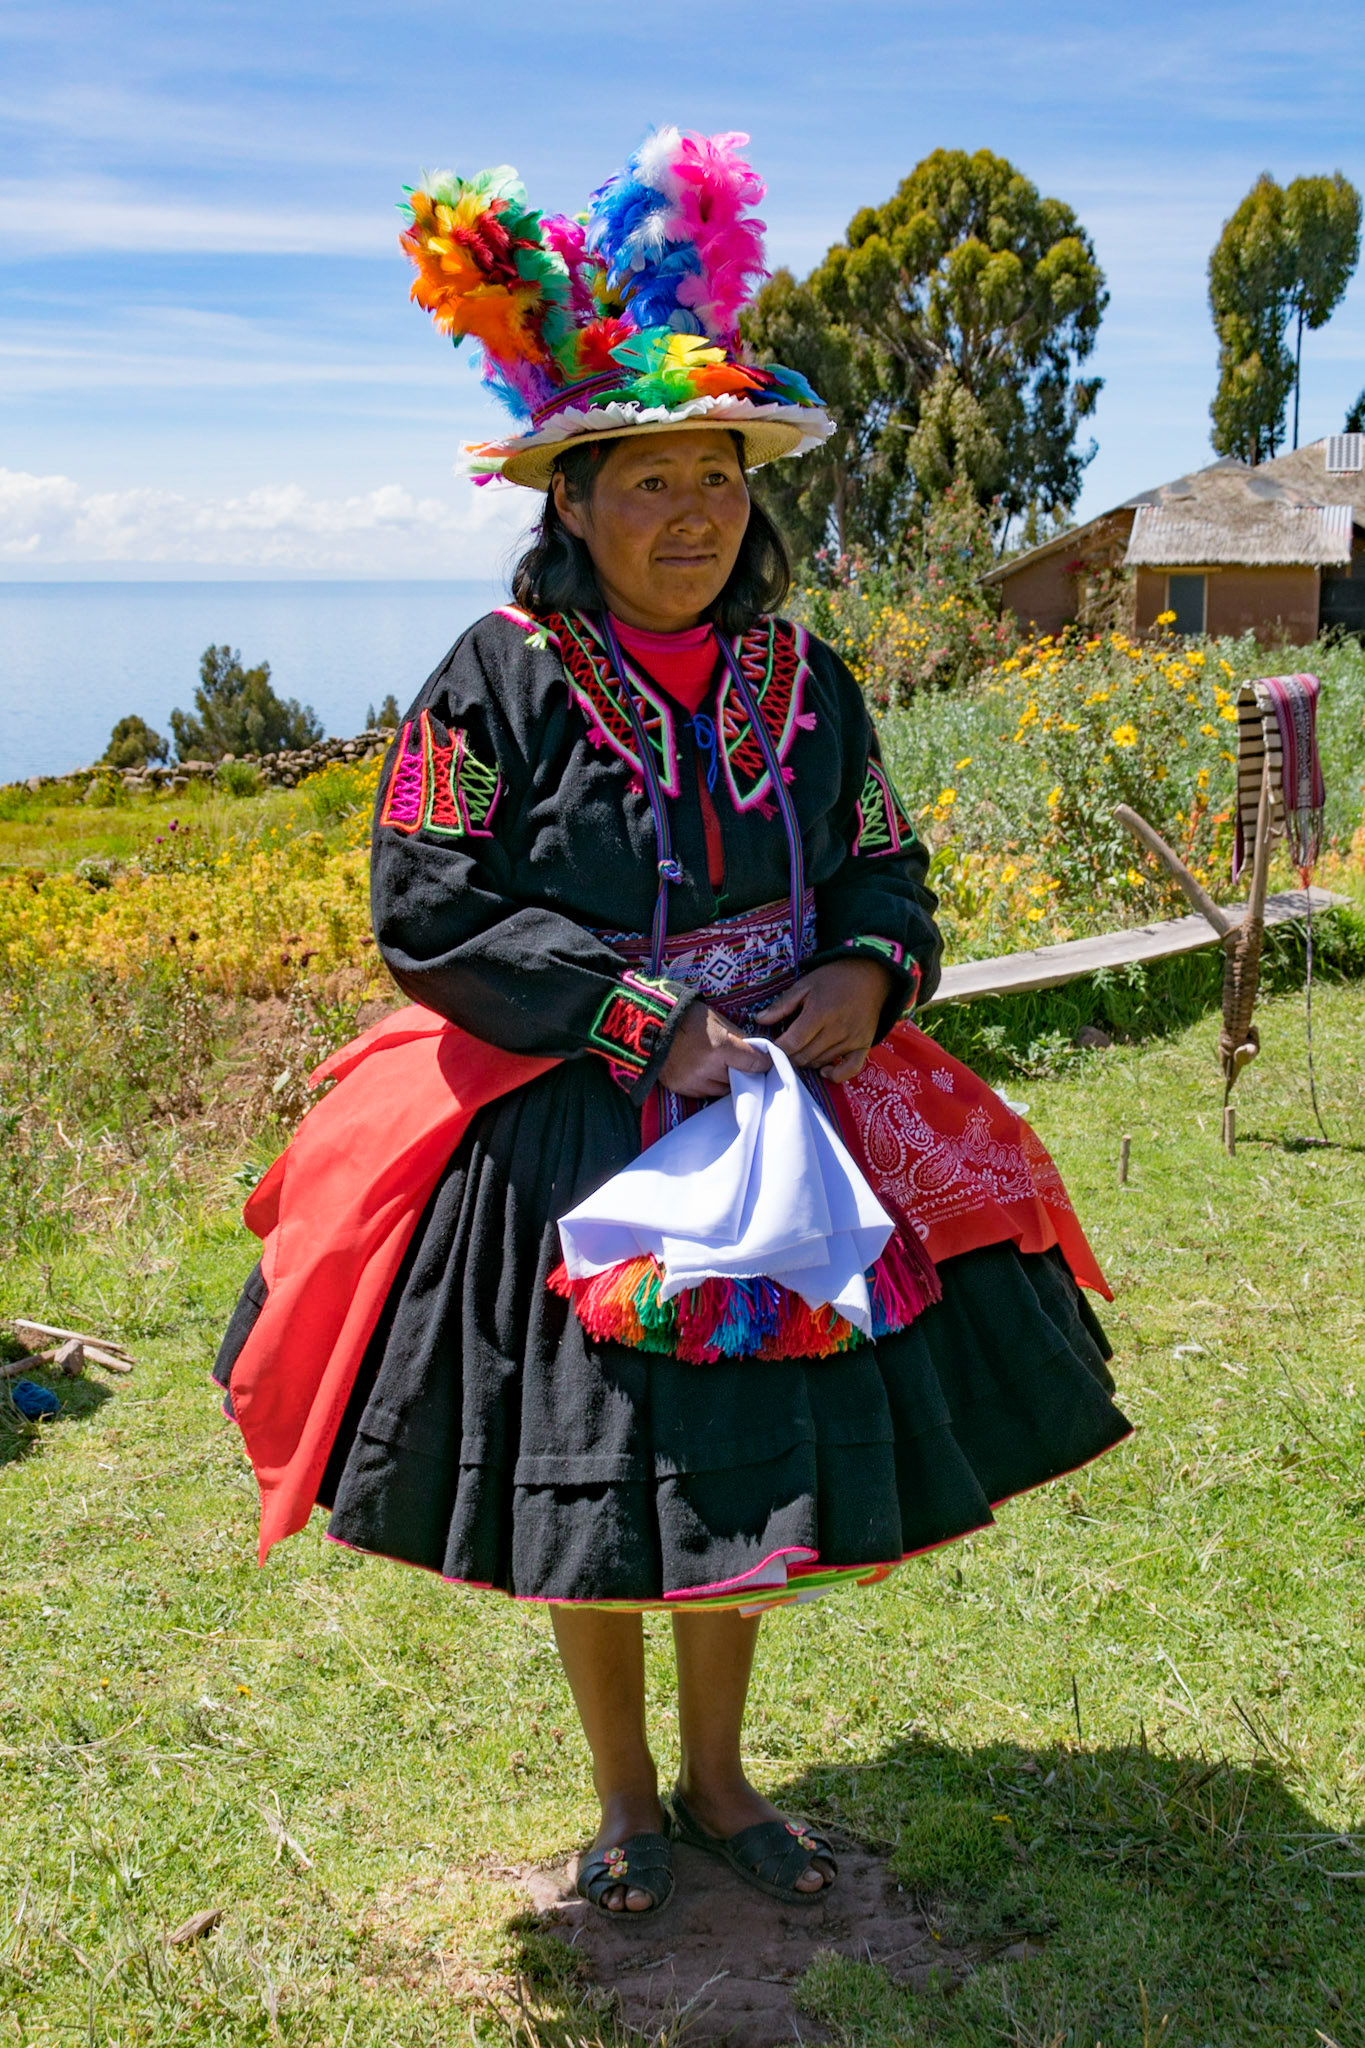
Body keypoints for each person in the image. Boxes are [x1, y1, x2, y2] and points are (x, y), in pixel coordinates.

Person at [213, 129, 1130, 1921]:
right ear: (571, 499)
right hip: (579, 1116)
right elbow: (430, 905)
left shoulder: (811, 679)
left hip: (800, 1115)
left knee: (749, 1473)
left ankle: (726, 1781)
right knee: (603, 1489)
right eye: (648, 481)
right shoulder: (496, 679)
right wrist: (644, 1020)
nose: (692, 514)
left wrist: (869, 975)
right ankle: (625, 1799)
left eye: (718, 478)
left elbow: (879, 862)